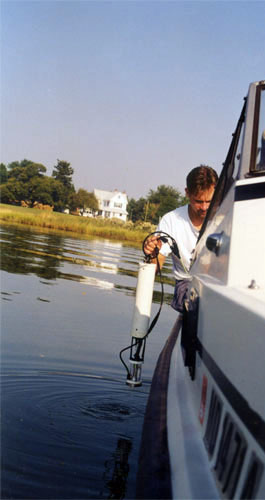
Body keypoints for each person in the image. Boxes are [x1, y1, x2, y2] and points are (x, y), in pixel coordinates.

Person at [144, 165, 218, 313]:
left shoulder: (225, 218)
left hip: (216, 285)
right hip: (186, 286)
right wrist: (152, 254)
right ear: (187, 193)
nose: (204, 207)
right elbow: (155, 267)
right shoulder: (171, 221)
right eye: (198, 201)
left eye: (209, 201)